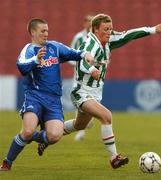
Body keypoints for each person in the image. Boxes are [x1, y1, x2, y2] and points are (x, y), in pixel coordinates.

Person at [62, 14, 161, 169]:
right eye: (106, 29)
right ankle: (114, 158)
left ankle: (45, 135)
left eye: (110, 28)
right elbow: (81, 62)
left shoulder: (108, 40)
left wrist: (152, 30)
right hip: (81, 92)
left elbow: (129, 34)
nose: (109, 32)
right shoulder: (91, 45)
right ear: (95, 29)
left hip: (95, 93)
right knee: (106, 116)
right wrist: (91, 69)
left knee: (79, 125)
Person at [0, 18, 99, 171]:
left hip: (53, 100)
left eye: (47, 30)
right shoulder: (28, 50)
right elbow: (21, 67)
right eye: (43, 31)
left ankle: (35, 138)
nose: (46, 34)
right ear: (33, 32)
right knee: (27, 130)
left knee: (54, 136)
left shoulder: (54, 47)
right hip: (35, 96)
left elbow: (74, 53)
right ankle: (7, 162)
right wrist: (36, 59)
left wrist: (85, 54)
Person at [70, 14, 94, 141]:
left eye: (92, 21)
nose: (90, 24)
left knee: (92, 100)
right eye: (88, 21)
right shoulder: (78, 38)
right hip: (79, 76)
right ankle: (80, 131)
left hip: (94, 76)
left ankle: (88, 117)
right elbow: (70, 55)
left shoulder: (98, 38)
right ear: (84, 23)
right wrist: (82, 64)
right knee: (79, 103)